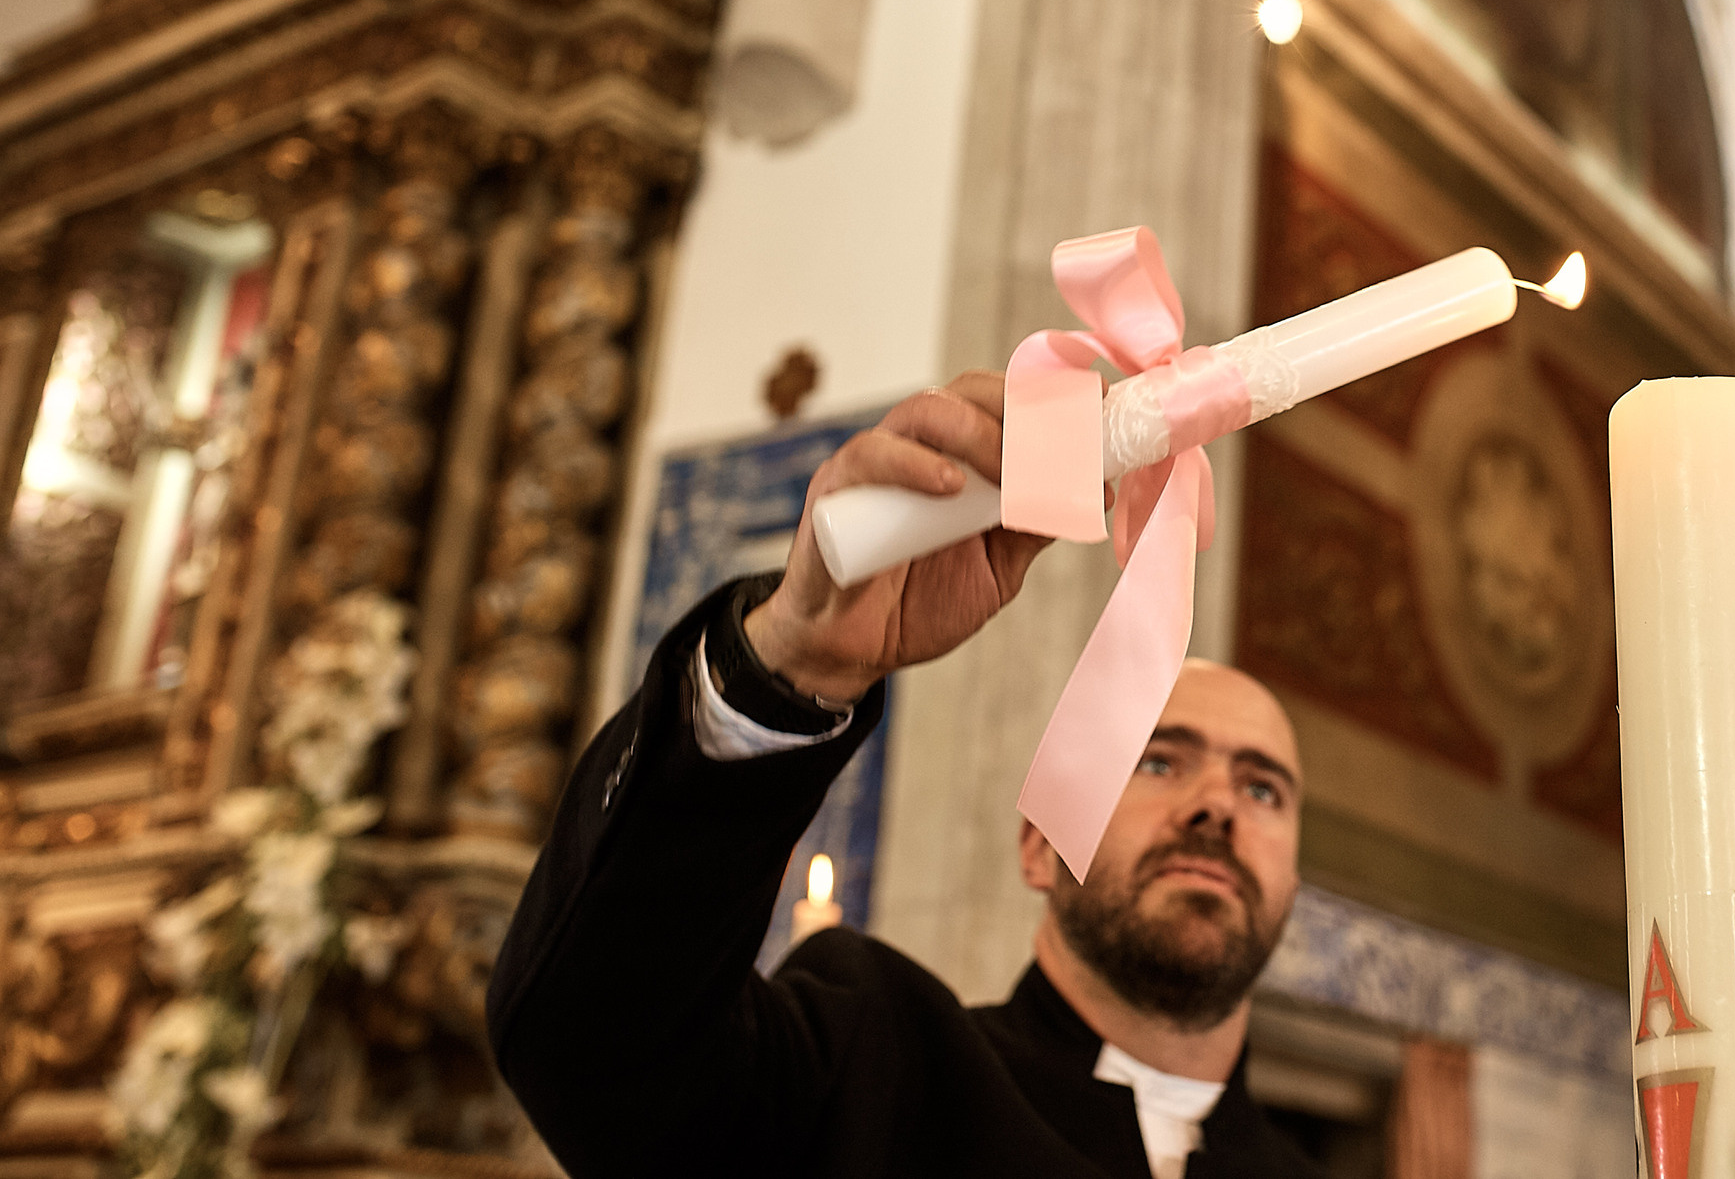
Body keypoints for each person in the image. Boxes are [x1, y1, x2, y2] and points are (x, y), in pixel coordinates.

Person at [486, 373, 1324, 1179]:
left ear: (1292, 879)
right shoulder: (867, 1065)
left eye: (1262, 789)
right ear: (1039, 845)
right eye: (1160, 761)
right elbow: (591, 1047)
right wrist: (796, 662)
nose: (1216, 806)